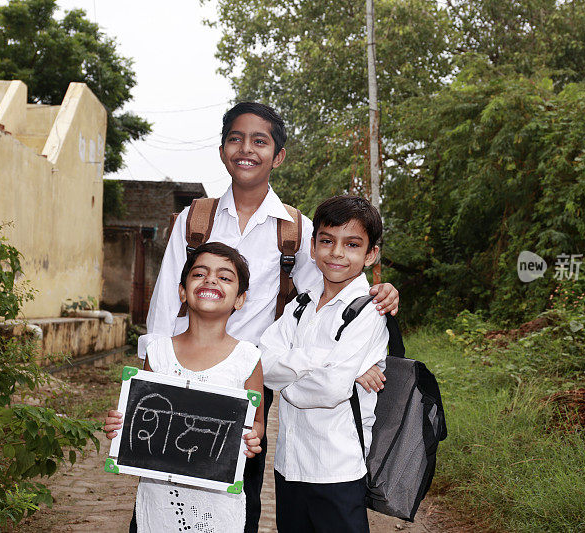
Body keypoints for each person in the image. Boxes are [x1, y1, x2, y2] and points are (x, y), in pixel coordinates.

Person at [137, 102, 398, 532]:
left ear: (277, 156)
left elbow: (327, 299)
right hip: (182, 373)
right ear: (222, 150)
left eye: (260, 141)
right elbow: (166, 304)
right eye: (236, 139)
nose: (247, 149)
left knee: (239, 494)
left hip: (248, 380)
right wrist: (152, 378)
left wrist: (379, 301)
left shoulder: (297, 230)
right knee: (163, 483)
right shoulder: (194, 219)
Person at [104, 242, 264, 533]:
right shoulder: (159, 352)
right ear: (182, 291)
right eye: (199, 274)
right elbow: (143, 415)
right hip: (158, 501)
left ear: (240, 299)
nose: (211, 280)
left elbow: (259, 422)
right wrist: (121, 425)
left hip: (218, 507)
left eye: (225, 277)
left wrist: (253, 438)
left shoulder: (248, 358)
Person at [259, 195, 388, 533]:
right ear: (313, 245)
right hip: (289, 464)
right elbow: (264, 363)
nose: (337, 252)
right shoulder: (300, 305)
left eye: (352, 244)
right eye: (327, 241)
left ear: (371, 253)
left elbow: (328, 389)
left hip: (338, 467)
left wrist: (295, 373)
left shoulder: (369, 311)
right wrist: (326, 361)